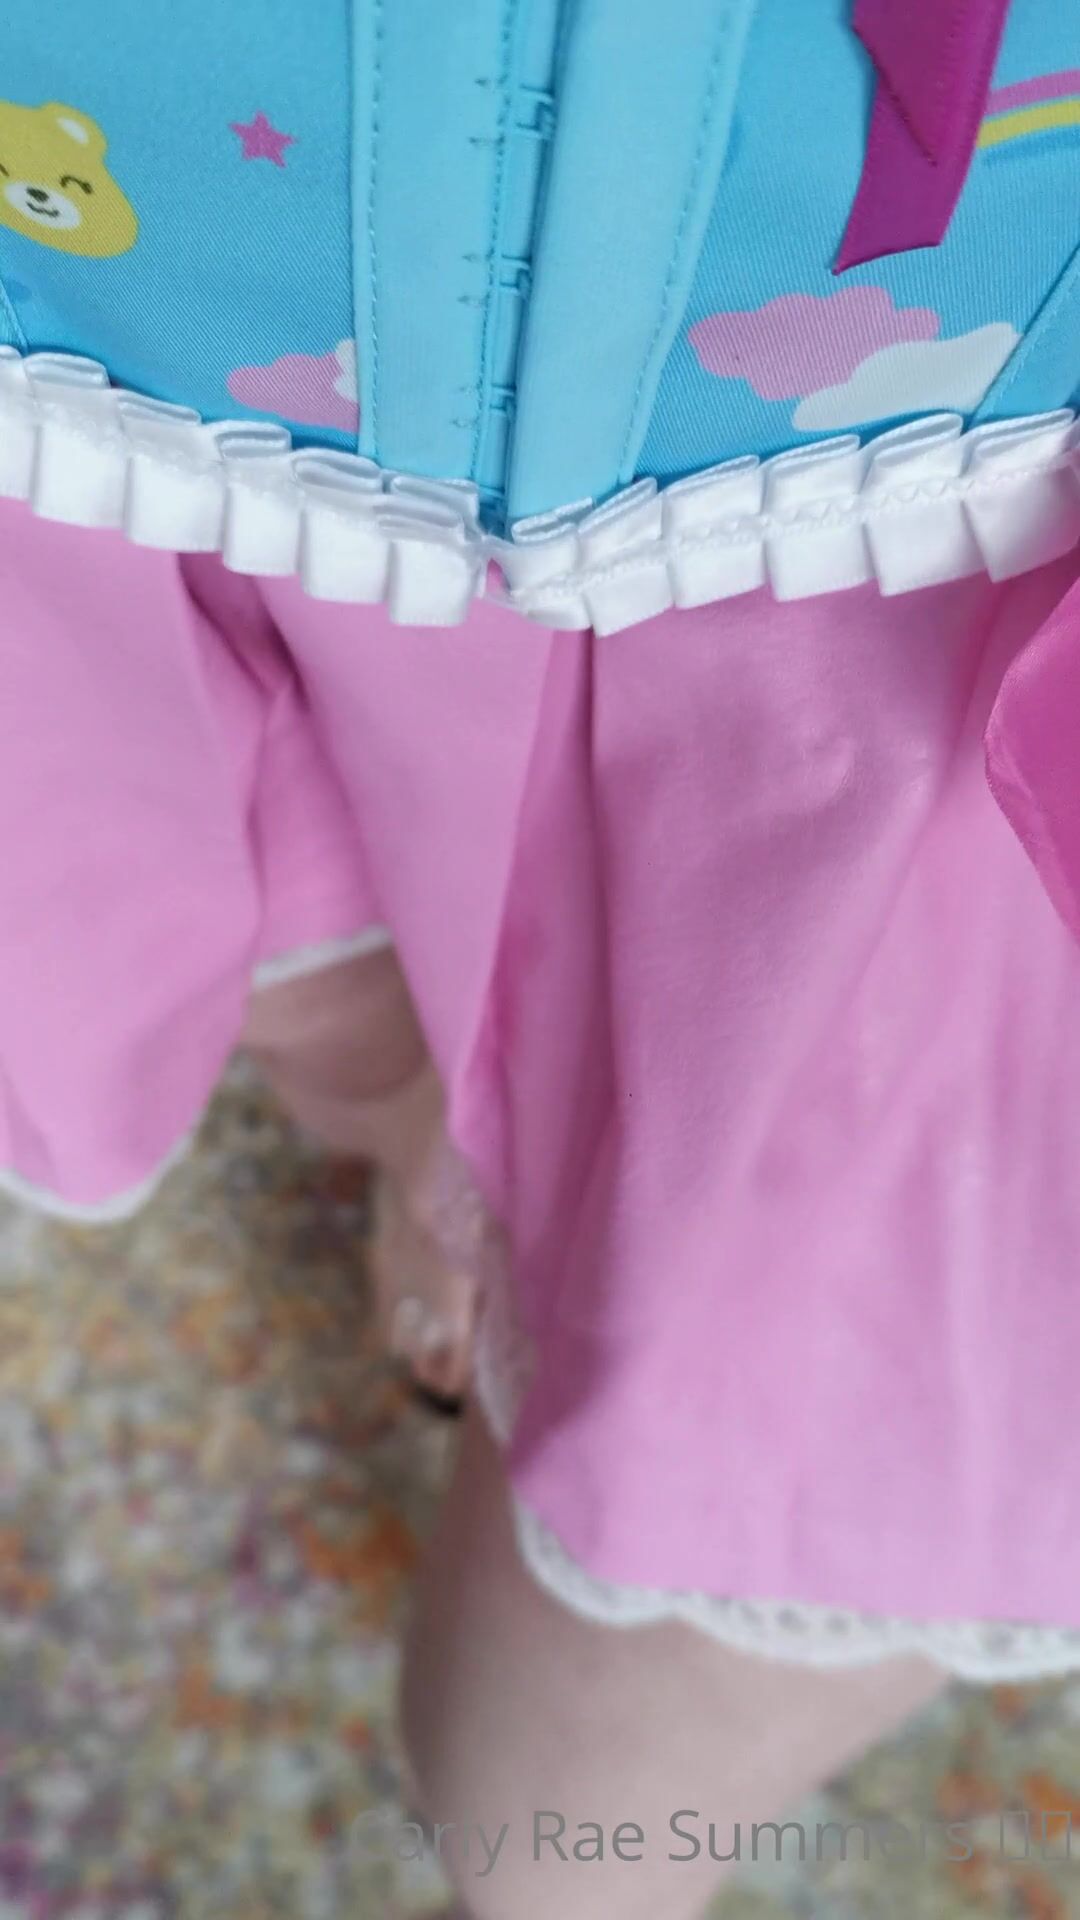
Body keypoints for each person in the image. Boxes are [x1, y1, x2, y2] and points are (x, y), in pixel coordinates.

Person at [1, 4, 1079, 1914]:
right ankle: (435, 1113)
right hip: (128, 342)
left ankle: (504, 1150)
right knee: (306, 970)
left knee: (536, 1819)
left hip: (919, 582)